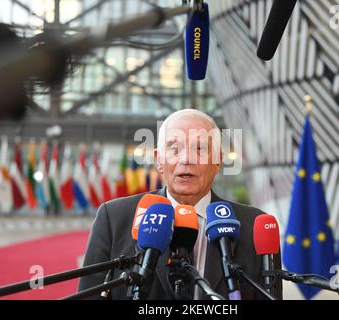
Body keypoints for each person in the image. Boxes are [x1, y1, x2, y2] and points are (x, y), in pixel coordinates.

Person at [78, 109, 283, 299]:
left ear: (218, 161)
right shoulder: (114, 218)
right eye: (174, 148)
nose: (186, 159)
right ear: (159, 160)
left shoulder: (255, 225)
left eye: (200, 148)